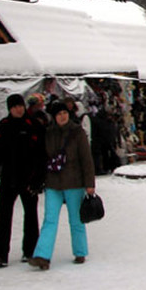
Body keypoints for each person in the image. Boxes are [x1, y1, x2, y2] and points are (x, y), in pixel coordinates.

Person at [29, 102, 95, 270]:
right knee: (49, 220)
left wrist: (89, 184)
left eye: (65, 113)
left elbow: (86, 160)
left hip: (74, 182)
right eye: (59, 114)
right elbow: (42, 157)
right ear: (54, 116)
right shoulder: (48, 133)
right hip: (53, 182)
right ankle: (42, 255)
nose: (62, 116)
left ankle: (80, 251)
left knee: (76, 219)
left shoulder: (77, 132)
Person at [0, 93, 47, 268]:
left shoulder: (34, 125)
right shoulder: (3, 126)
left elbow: (42, 155)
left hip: (29, 178)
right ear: (9, 109)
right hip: (8, 178)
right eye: (14, 107)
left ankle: (30, 250)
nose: (18, 109)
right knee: (4, 216)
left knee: (31, 215)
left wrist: (39, 179)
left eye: (20, 106)